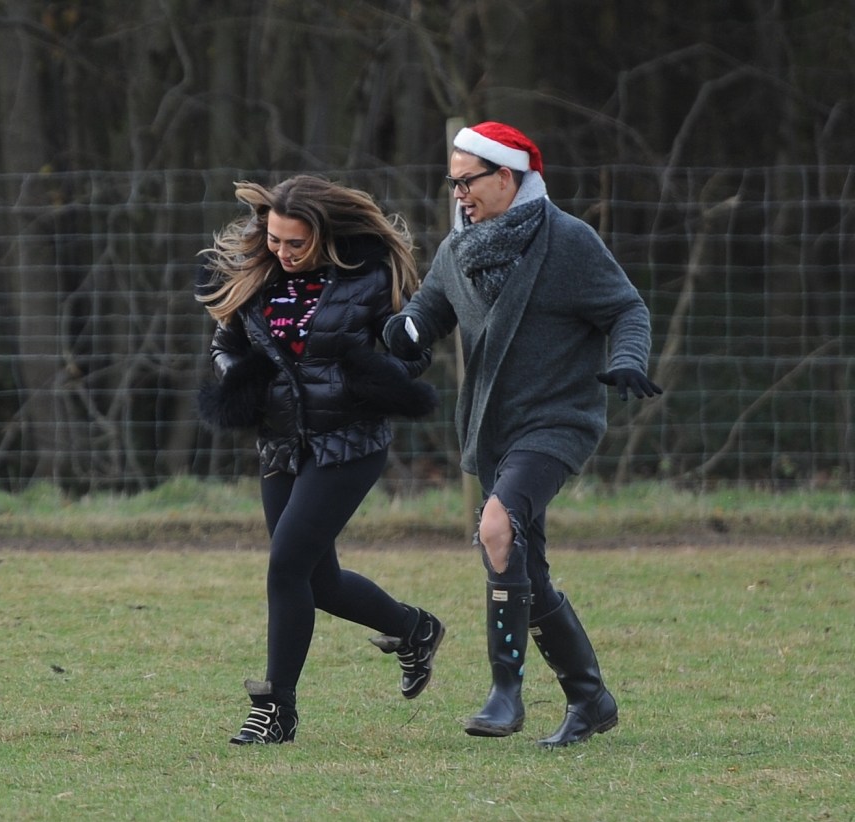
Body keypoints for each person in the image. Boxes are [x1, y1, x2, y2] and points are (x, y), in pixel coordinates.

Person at [383, 122, 662, 746]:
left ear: (505, 176)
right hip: (494, 431)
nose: (458, 193)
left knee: (495, 526)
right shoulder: (458, 251)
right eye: (451, 182)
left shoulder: (568, 240)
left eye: (467, 181)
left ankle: (505, 693)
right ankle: (590, 699)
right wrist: (395, 335)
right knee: (519, 560)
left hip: (560, 420)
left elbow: (626, 309)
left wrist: (629, 359)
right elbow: (426, 316)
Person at [195, 174, 445, 745]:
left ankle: (276, 710)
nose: (282, 254)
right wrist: (240, 380)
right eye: (276, 240)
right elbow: (226, 346)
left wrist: (375, 378)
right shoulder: (255, 275)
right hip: (282, 441)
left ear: (325, 234)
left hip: (349, 441)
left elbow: (414, 349)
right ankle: (415, 629)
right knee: (320, 582)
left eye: (296, 243)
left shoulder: (372, 278)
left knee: (285, 564)